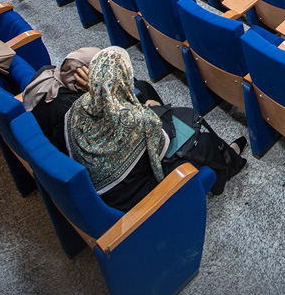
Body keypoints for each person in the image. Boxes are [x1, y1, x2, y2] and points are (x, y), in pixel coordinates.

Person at [65, 47, 245, 211]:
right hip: (136, 200)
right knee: (203, 142)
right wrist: (154, 110)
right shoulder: (140, 119)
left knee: (145, 91)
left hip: (103, 195)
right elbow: (161, 143)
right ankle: (230, 165)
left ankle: (227, 158)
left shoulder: (75, 109)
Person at [23, 47, 163, 151]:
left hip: (47, 139)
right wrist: (96, 89)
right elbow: (118, 123)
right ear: (80, 79)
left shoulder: (47, 73)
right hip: (96, 152)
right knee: (143, 89)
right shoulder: (76, 109)